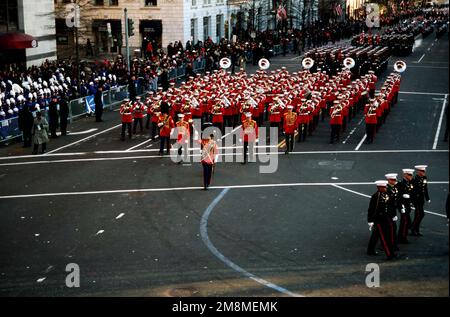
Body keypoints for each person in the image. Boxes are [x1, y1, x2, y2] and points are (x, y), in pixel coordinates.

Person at [367, 180, 397, 260]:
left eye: (386, 186)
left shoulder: (388, 194)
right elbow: (371, 209)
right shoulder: (376, 196)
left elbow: (392, 205)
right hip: (379, 220)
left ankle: (370, 250)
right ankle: (389, 254)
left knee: (378, 235)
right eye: (383, 187)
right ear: (379, 187)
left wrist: (394, 215)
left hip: (387, 218)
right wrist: (370, 221)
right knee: (384, 238)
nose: (385, 188)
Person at [411, 165, 430, 236]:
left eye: (424, 171)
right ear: (418, 171)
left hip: (421, 199)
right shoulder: (415, 179)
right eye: (422, 171)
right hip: (417, 200)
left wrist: (427, 198)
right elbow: (413, 191)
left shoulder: (424, 178)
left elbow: (425, 188)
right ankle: (413, 228)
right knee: (420, 214)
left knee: (418, 215)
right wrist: (412, 201)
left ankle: (416, 229)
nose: (423, 172)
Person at [397, 168, 415, 244]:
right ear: (405, 175)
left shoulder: (409, 183)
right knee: (404, 221)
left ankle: (401, 235)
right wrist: (402, 196)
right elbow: (397, 196)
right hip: (403, 205)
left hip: (407, 205)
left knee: (405, 222)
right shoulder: (401, 184)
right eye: (410, 175)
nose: (411, 176)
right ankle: (402, 237)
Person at [385, 173, 401, 251]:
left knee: (393, 229)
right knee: (390, 229)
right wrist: (392, 214)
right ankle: (390, 245)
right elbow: (388, 204)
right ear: (388, 180)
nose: (395, 181)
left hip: (392, 212)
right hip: (387, 213)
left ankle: (392, 244)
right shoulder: (387, 189)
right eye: (393, 180)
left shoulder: (394, 188)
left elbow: (396, 201)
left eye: (395, 180)